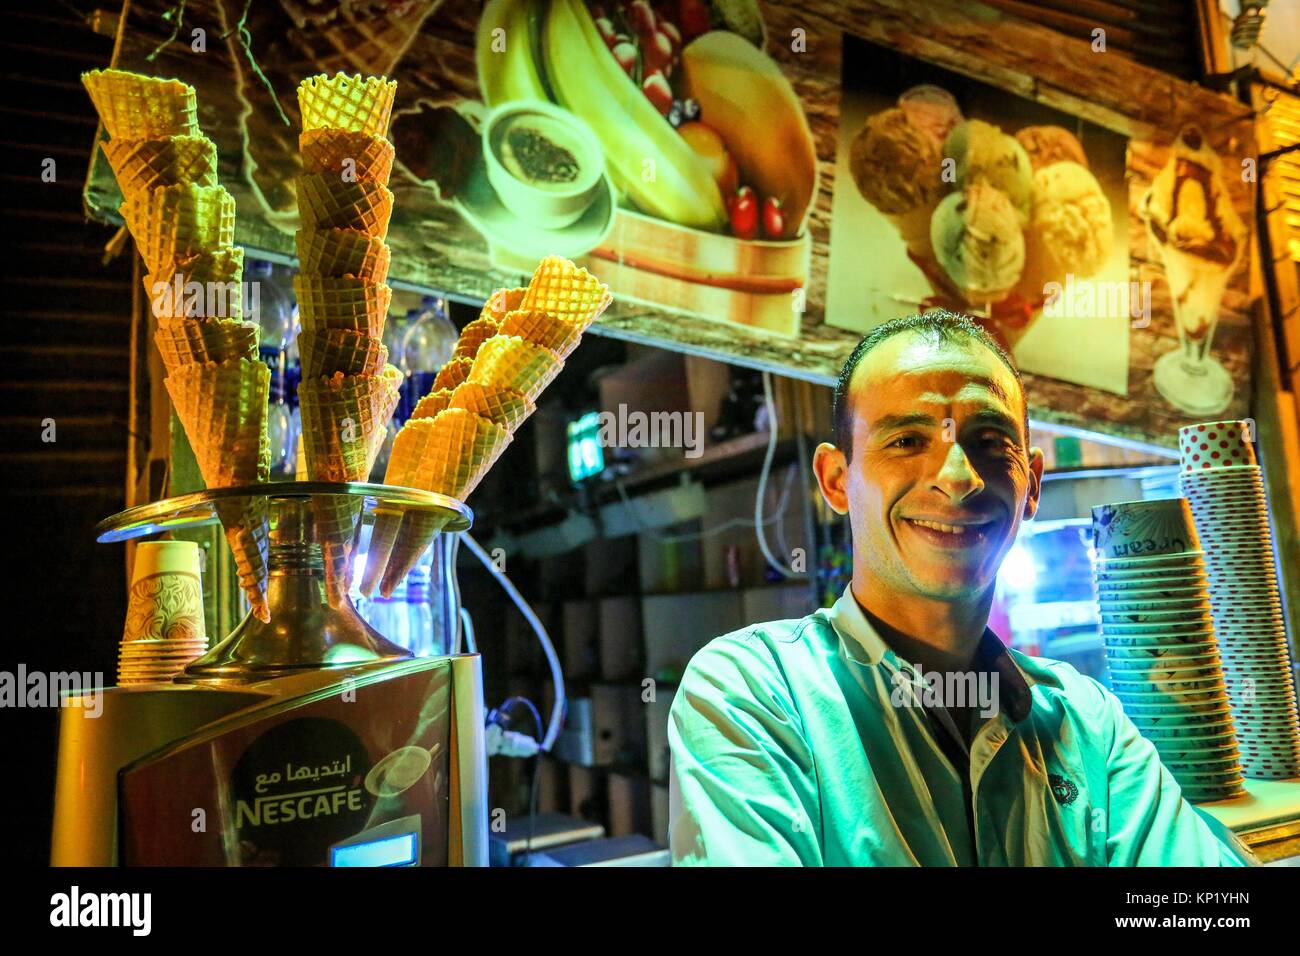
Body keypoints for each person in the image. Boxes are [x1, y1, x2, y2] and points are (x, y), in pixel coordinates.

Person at [667, 310, 1256, 866]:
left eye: (990, 442)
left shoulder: (1084, 719)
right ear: (837, 480)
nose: (957, 477)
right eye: (906, 440)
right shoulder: (753, 692)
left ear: (1031, 485)